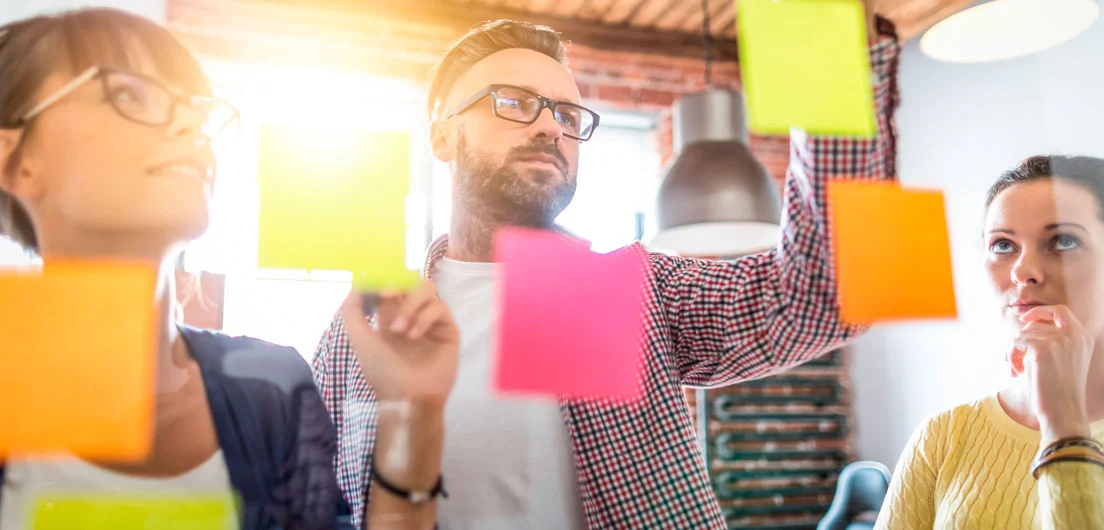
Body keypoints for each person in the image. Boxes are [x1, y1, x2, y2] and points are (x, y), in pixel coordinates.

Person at [313, 1, 902, 527]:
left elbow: (827, 294)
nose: (550, 126)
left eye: (567, 116)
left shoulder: (623, 291)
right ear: (443, 137)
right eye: (513, 103)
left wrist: (825, 36)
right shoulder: (364, 328)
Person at [0, 8, 458, 529]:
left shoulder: (272, 389)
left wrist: (414, 414)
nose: (195, 123)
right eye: (130, 93)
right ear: (15, 160)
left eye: (196, 107)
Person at [877, 155, 1104, 529]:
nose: (1022, 271)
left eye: (1063, 241)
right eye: (1002, 245)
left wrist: (1064, 427)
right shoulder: (942, 436)